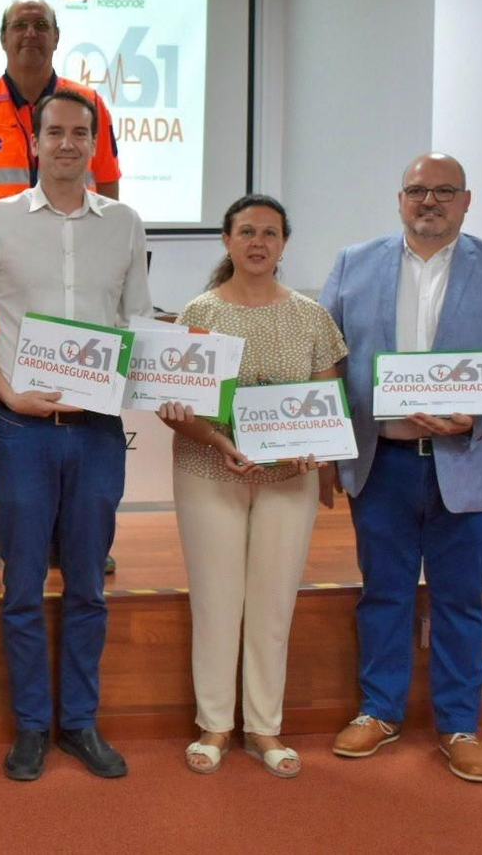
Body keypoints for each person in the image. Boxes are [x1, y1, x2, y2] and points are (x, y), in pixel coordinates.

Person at [321, 153, 482, 784]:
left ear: (466, 201)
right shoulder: (354, 262)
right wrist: (324, 442)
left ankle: (459, 725)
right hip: (382, 465)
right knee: (383, 594)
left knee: (460, 601)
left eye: (445, 191)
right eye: (418, 190)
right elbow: (327, 358)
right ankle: (379, 710)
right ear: (400, 198)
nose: (430, 201)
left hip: (466, 462)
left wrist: (479, 415)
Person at [0, 89, 148, 783]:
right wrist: (7, 393)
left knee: (89, 585)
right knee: (23, 585)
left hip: (97, 433)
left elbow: (136, 323)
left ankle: (81, 723)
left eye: (80, 133)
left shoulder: (124, 224)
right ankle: (33, 726)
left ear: (95, 144)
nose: (68, 143)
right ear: (34, 143)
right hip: (21, 430)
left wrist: (164, 377)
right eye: (55, 132)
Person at [154, 194, 346, 779]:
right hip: (209, 471)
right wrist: (218, 441)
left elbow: (326, 403)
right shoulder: (199, 312)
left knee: (273, 604)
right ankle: (214, 723)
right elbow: (176, 407)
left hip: (290, 480)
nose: (258, 242)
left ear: (284, 243)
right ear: (227, 240)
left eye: (269, 232)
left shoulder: (312, 316)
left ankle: (264, 726)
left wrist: (313, 444)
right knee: (216, 601)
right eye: (246, 232)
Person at [0, 0, 122, 578]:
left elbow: (108, 188)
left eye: (40, 25)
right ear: (2, 38)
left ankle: (73, 533)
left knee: (73, 404)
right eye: (19, 25)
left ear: (57, 36)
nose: (30, 34)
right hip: (0, 287)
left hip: (66, 288)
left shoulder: (87, 102)